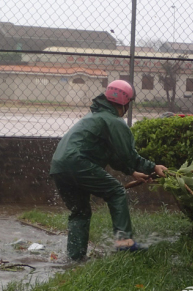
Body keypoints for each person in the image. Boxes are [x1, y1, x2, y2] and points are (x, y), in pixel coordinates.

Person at [50, 80, 167, 261]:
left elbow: (112, 154)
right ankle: (125, 245)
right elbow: (127, 154)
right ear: (125, 103)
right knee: (116, 191)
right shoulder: (113, 121)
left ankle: (75, 257)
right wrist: (153, 167)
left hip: (59, 166)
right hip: (78, 163)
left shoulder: (95, 117)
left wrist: (132, 172)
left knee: (80, 211)